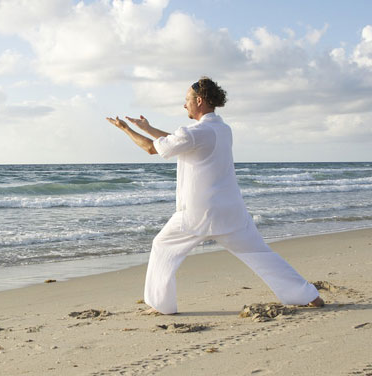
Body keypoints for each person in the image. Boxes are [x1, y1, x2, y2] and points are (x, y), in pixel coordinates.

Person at [106, 76, 323, 314]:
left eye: (187, 99)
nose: (184, 105)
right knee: (261, 255)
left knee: (162, 246)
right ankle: (308, 295)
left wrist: (125, 129)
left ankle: (161, 305)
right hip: (231, 211)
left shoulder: (194, 133)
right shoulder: (221, 129)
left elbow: (152, 148)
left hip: (198, 214)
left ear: (199, 100)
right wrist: (148, 128)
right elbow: (181, 141)